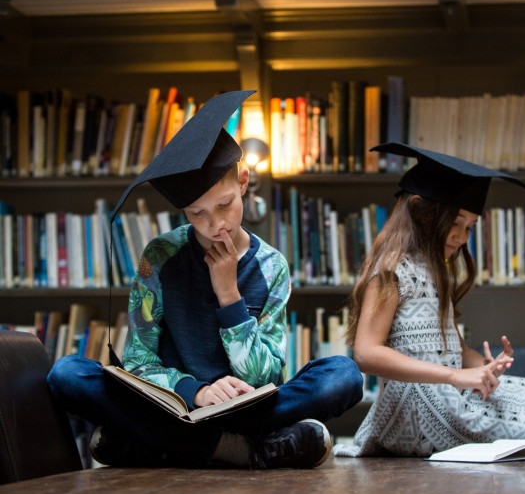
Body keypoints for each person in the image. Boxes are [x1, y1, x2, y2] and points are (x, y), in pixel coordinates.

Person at [48, 90, 363, 469]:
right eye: (197, 214)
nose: (215, 224)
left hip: (247, 408)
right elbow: (137, 362)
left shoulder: (271, 266)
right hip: (176, 406)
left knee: (343, 376)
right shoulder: (159, 257)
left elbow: (266, 375)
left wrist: (229, 294)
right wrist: (197, 392)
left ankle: (162, 448)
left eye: (224, 205)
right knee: (67, 374)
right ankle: (242, 450)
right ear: (183, 210)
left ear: (244, 181)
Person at [333, 142, 525, 458]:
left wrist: (484, 367)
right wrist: (455, 377)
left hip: (451, 391)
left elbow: (453, 350)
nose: (463, 237)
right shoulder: (391, 269)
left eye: (470, 227)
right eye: (456, 223)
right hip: (419, 410)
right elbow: (366, 353)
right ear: (420, 210)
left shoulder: (438, 270)